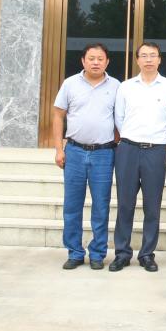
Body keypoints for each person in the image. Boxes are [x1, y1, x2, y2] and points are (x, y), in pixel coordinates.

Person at [109, 42, 166, 273]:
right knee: (125, 204)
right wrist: (132, 137)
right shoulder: (126, 87)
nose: (148, 59)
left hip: (155, 150)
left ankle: (147, 254)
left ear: (159, 59)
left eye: (153, 55)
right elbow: (119, 118)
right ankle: (122, 253)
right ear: (137, 60)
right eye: (144, 56)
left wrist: (156, 138)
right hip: (128, 149)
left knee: (152, 205)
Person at [51, 43, 120, 271]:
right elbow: (58, 116)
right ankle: (75, 252)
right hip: (75, 151)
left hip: (104, 153)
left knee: (101, 206)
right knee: (72, 206)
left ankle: (98, 253)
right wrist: (59, 149)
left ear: (107, 62)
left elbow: (121, 119)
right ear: (83, 61)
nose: (96, 62)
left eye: (100, 58)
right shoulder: (70, 84)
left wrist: (116, 144)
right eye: (91, 58)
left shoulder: (116, 86)